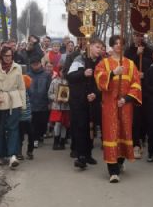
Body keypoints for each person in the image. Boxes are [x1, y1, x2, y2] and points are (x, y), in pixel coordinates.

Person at [95, 34, 142, 183]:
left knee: (124, 132)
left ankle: (120, 162)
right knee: (111, 134)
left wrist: (126, 99)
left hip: (125, 105)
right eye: (115, 43)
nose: (118, 46)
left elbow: (136, 84)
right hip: (110, 105)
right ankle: (113, 171)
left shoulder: (130, 64)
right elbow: (98, 78)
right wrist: (113, 73)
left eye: (120, 43)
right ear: (111, 45)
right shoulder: (104, 63)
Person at [0, 45, 26, 168]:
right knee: (0, 128)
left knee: (13, 128)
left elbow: (21, 87)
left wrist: (23, 105)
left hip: (14, 101)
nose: (8, 58)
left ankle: (12, 155)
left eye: (10, 55)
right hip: (0, 101)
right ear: (1, 56)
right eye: (6, 55)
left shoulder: (17, 67)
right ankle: (0, 155)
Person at [67, 38, 103, 170]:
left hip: (93, 100)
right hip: (79, 100)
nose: (99, 50)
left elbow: (102, 83)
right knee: (81, 127)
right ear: (90, 46)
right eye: (97, 47)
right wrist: (83, 73)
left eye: (101, 48)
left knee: (91, 128)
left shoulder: (101, 62)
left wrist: (95, 94)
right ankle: (80, 156)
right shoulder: (80, 60)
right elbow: (70, 77)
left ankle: (88, 154)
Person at [124, 32, 153, 158]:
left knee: (145, 116)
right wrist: (136, 54)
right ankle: (135, 144)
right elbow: (126, 66)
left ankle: (142, 137)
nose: (138, 38)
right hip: (133, 88)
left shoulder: (149, 51)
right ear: (133, 36)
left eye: (141, 36)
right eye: (136, 35)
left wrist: (145, 74)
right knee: (135, 117)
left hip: (146, 89)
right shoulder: (129, 51)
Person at [27, 57, 51, 147]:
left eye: (37, 64)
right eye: (33, 64)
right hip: (32, 102)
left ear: (40, 64)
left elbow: (49, 88)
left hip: (43, 102)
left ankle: (40, 135)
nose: (35, 66)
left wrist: (50, 102)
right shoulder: (28, 75)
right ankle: (35, 139)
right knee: (34, 122)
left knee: (43, 122)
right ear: (31, 65)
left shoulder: (46, 75)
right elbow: (26, 88)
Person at [47, 65, 71, 150]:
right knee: (57, 123)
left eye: (65, 71)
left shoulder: (68, 82)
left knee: (64, 124)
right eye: (62, 71)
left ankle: (62, 142)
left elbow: (71, 93)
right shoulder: (54, 81)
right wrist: (56, 98)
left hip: (66, 107)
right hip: (56, 106)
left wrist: (68, 99)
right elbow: (50, 93)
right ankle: (56, 142)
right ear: (59, 71)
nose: (63, 73)